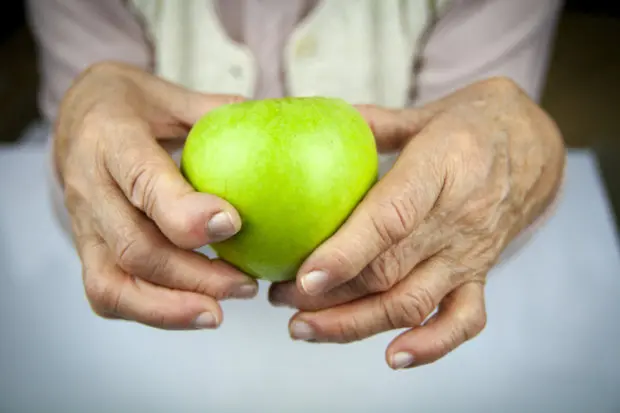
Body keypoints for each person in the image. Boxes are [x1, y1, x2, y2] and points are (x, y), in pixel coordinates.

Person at [26, 0, 566, 370]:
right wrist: (83, 121)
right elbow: (88, 165)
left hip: (408, 339)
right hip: (156, 351)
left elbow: (484, 149)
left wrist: (517, 149)